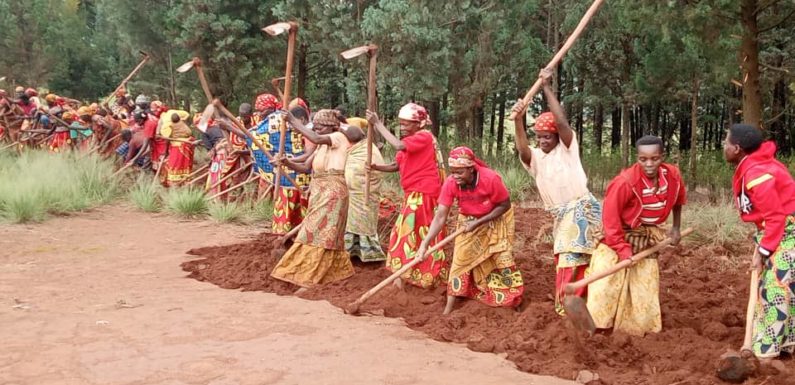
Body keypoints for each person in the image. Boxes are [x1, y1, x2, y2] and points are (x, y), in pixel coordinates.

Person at [511, 68, 603, 315]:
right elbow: (522, 150)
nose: (542, 141)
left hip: (581, 210)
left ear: (557, 137)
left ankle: (573, 309)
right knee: (568, 259)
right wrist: (518, 120)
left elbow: (562, 123)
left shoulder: (568, 149)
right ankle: (573, 309)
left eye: (547, 137)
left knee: (575, 259)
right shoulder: (537, 158)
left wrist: (546, 87)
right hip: (561, 216)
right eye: (539, 137)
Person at [586, 135, 685, 336]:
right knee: (605, 284)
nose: (649, 164)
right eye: (643, 159)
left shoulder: (672, 176)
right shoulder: (624, 183)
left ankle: (637, 329)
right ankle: (597, 326)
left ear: (662, 157)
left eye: (655, 159)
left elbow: (678, 199)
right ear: (637, 158)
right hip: (616, 234)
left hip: (645, 235)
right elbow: (610, 221)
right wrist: (623, 250)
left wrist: (676, 228)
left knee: (643, 288)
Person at [420, 146, 524, 314]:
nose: (455, 177)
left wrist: (478, 223)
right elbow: (440, 216)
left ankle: (512, 300)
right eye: (452, 172)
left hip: (496, 218)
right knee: (459, 260)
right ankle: (448, 309)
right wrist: (425, 243)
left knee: (501, 256)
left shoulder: (490, 179)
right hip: (467, 220)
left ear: (471, 168)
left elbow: (505, 205)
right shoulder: (451, 183)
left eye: (460, 172)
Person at [723, 124, 795, 361]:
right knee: (784, 286)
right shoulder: (755, 165)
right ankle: (784, 343)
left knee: (775, 289)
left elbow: (776, 216)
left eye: (726, 143)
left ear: (737, 148)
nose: (723, 147)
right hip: (779, 230)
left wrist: (763, 251)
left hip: (786, 231)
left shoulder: (756, 174)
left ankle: (766, 350)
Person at [271, 109, 354, 289]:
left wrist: (293, 121)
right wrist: (286, 163)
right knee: (315, 231)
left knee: (321, 233)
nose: (317, 132)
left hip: (334, 192)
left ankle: (311, 275)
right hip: (318, 191)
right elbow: (305, 167)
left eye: (320, 128)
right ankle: (331, 272)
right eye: (315, 128)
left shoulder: (338, 137)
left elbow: (315, 138)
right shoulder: (321, 145)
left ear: (332, 127)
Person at [367, 103, 447, 289]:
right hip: (413, 193)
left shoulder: (423, 137)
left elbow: (398, 145)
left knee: (406, 233)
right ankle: (409, 276)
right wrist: (376, 167)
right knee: (412, 233)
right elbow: (396, 166)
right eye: (401, 124)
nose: (402, 127)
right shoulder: (413, 141)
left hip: (423, 193)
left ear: (419, 124)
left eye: (407, 124)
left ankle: (406, 278)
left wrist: (378, 124)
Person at [248, 95, 311, 234]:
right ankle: (283, 234)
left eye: (262, 110)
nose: (259, 113)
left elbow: (307, 159)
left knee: (300, 205)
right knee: (286, 204)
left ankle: (296, 235)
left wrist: (288, 161)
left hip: (301, 177)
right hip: (287, 175)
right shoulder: (279, 120)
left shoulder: (309, 131)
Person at [343, 118, 386, 262]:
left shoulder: (367, 149)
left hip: (365, 192)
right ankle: (353, 250)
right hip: (355, 193)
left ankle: (370, 253)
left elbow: (375, 171)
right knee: (352, 220)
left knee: (363, 219)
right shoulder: (358, 148)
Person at [160, 111, 194, 187]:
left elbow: (167, 138)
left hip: (177, 147)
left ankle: (174, 182)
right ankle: (185, 180)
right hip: (187, 146)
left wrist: (165, 152)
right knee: (184, 164)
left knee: (175, 164)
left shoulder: (169, 126)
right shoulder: (183, 124)